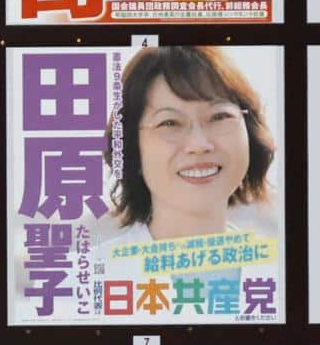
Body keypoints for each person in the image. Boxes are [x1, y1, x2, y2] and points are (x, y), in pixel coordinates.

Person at [96, 45, 277, 272]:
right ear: (132, 148)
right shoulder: (84, 279)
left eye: (219, 117)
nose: (199, 145)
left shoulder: (287, 268)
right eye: (169, 123)